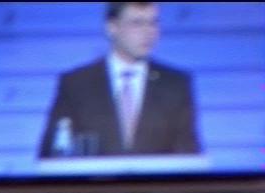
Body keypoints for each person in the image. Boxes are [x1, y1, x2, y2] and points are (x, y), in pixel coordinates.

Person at [38, 2, 201, 158]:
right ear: (112, 27)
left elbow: (188, 156)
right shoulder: (76, 85)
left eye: (153, 23)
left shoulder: (176, 85)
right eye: (137, 23)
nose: (149, 32)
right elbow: (52, 154)